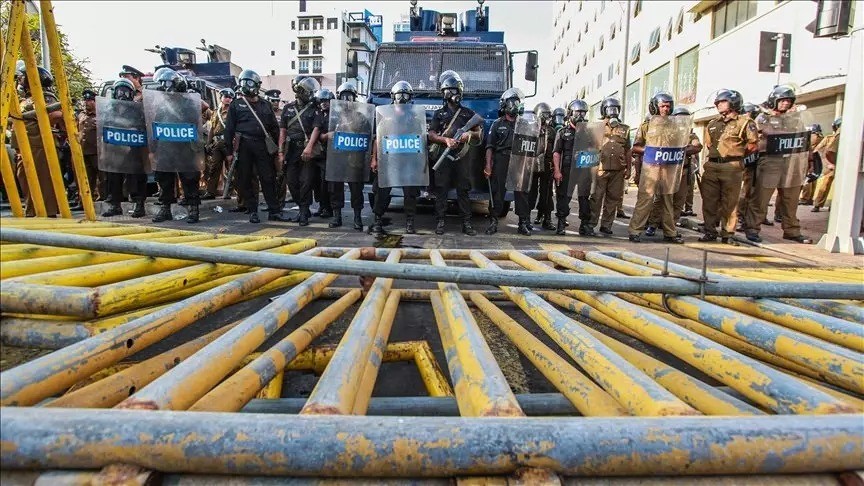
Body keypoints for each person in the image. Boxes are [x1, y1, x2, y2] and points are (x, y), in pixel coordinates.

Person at [744, 85, 812, 244]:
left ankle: (792, 231)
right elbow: (756, 137)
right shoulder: (763, 118)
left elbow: (805, 140)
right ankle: (752, 228)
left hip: (792, 161)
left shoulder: (796, 119)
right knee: (761, 198)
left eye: (788, 101)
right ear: (774, 100)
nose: (785, 103)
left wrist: (809, 160)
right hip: (770, 160)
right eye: (782, 100)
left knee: (791, 199)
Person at [222, 69, 289, 223]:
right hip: (244, 146)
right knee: (246, 179)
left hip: (262, 145)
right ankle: (252, 211)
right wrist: (229, 152)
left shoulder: (265, 105)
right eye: (243, 82)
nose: (246, 85)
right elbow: (229, 130)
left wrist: (277, 150)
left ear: (257, 85)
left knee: (268, 178)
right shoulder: (236, 105)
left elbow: (274, 128)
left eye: (249, 82)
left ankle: (274, 211)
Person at [698, 90, 757, 243]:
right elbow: (709, 144)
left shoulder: (745, 123)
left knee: (729, 203)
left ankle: (727, 234)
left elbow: (752, 145)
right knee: (709, 201)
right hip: (712, 166)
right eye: (717, 102)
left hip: (732, 167)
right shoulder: (712, 123)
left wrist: (736, 155)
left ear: (733, 103)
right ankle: (709, 231)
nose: (718, 104)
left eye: (722, 102)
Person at [628, 92, 685, 243]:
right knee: (645, 199)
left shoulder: (675, 126)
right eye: (662, 106)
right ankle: (635, 231)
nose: (666, 109)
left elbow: (680, 145)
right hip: (650, 168)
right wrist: (649, 151)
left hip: (668, 168)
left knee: (667, 200)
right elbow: (636, 147)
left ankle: (670, 233)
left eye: (668, 106)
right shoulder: (647, 125)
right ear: (655, 107)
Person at [148, 69, 204, 223]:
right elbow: (157, 126)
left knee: (189, 178)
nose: (163, 88)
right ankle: (165, 208)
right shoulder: (162, 105)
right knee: (164, 178)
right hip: (166, 147)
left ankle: (193, 209)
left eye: (165, 84)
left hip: (184, 147)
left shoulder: (188, 103)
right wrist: (153, 148)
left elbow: (194, 121)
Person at [370, 81, 424, 235]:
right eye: (399, 95)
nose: (402, 98)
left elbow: (420, 140)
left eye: (405, 95)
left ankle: (410, 221)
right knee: (381, 190)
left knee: (410, 191)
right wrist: (374, 159)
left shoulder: (415, 119)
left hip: (408, 161)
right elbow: (378, 139)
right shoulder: (386, 119)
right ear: (393, 97)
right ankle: (378, 219)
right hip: (390, 161)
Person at [428, 74, 479, 236]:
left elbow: (479, 134)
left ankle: (466, 223)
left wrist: (468, 135)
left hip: (462, 158)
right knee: (441, 190)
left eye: (455, 90)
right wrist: (446, 140)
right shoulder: (439, 114)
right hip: (443, 156)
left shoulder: (468, 113)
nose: (452, 94)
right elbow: (431, 135)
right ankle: (440, 221)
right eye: (449, 91)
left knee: (463, 190)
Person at [12, 66, 63, 217]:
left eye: (22, 77)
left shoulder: (44, 96)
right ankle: (32, 210)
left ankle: (48, 212)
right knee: (25, 178)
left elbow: (56, 114)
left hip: (39, 145)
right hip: (25, 146)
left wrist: (43, 125)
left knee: (43, 179)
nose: (20, 80)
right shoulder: (27, 99)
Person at [318, 81, 368, 230]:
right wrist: (328, 135)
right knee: (335, 188)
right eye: (344, 96)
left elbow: (366, 136)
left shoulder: (361, 117)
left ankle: (357, 217)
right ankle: (336, 216)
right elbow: (320, 135)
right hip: (336, 157)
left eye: (349, 96)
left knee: (356, 188)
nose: (346, 100)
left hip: (354, 157)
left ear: (354, 98)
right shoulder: (332, 117)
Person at [644, 107, 702, 234]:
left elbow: (697, 147)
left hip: (684, 170)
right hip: (668, 170)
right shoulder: (668, 132)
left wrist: (682, 149)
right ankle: (653, 224)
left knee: (679, 200)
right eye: (679, 118)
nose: (681, 121)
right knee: (661, 198)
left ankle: (671, 226)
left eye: (684, 118)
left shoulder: (690, 134)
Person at [484, 88, 533, 235]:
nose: (515, 105)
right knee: (497, 192)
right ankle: (493, 222)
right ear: (504, 104)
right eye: (512, 102)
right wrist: (488, 166)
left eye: (517, 102)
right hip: (502, 159)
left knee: (522, 192)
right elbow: (490, 147)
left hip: (519, 160)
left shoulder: (524, 124)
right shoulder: (497, 124)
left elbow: (530, 145)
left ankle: (522, 223)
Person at [100, 78, 148, 218]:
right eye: (120, 91)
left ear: (131, 93)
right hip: (115, 151)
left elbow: (144, 127)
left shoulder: (138, 109)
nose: (122, 94)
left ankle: (139, 205)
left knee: (136, 178)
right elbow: (104, 128)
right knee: (113, 178)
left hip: (133, 150)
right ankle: (115, 205)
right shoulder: (109, 110)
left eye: (126, 91)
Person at [277, 76, 322, 225]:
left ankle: (303, 211)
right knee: (291, 181)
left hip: (307, 149)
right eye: (308, 91)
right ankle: (303, 207)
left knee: (306, 181)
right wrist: (280, 152)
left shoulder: (315, 109)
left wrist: (309, 147)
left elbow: (316, 129)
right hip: (291, 149)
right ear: (300, 91)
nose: (310, 94)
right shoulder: (288, 108)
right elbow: (283, 131)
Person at [552, 99, 596, 236]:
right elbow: (556, 152)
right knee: (564, 197)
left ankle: (584, 225)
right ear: (570, 113)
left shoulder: (589, 132)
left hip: (584, 169)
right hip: (567, 170)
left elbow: (595, 150)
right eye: (578, 112)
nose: (580, 116)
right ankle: (561, 223)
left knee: (584, 198)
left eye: (583, 113)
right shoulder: (563, 132)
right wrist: (557, 171)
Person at [588, 97, 630, 235]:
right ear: (604, 110)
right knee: (596, 198)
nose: (613, 111)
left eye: (616, 109)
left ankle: (606, 225)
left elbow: (628, 150)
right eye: (610, 109)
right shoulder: (597, 127)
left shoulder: (624, 129)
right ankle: (590, 224)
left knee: (613, 199)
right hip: (600, 169)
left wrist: (628, 168)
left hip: (618, 170)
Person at [306, 88, 336, 225]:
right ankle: (322, 206)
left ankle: (329, 208)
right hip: (320, 153)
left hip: (333, 153)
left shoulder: (336, 115)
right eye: (321, 101)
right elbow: (317, 130)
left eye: (326, 101)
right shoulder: (319, 114)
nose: (324, 103)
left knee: (328, 183)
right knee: (317, 182)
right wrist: (324, 136)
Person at [200, 88, 235, 200]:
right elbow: (212, 129)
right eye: (226, 97)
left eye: (230, 97)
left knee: (231, 168)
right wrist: (208, 143)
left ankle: (229, 192)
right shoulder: (216, 112)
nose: (228, 99)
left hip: (229, 143)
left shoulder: (233, 112)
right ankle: (210, 192)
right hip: (217, 143)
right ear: (221, 98)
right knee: (214, 168)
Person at [529, 102, 556, 231]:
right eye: (544, 115)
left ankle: (547, 218)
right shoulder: (530, 129)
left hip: (547, 164)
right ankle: (525, 219)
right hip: (533, 164)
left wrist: (556, 167)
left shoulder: (552, 131)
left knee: (547, 193)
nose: (547, 117)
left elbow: (556, 150)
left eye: (548, 115)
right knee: (531, 192)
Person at [737, 102, 761, 228]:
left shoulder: (757, 125)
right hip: (744, 162)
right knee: (743, 192)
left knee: (752, 192)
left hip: (756, 162)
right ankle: (739, 217)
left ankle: (747, 217)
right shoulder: (742, 125)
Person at [76, 88, 101, 203]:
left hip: (96, 151)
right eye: (85, 100)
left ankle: (102, 198)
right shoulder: (82, 115)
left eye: (90, 100)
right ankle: (84, 201)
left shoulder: (101, 115)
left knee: (101, 177)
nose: (87, 103)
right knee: (85, 177)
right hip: (83, 150)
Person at [812, 117, 841, 212]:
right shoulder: (829, 138)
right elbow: (818, 150)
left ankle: (835, 205)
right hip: (832, 164)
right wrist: (828, 164)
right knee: (825, 184)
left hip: (842, 164)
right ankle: (817, 204)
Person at [799, 123, 824, 206]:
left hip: (810, 158)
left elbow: (810, 147)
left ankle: (805, 198)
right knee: (813, 178)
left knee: (808, 178)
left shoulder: (813, 136)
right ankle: (809, 198)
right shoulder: (820, 136)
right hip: (816, 158)